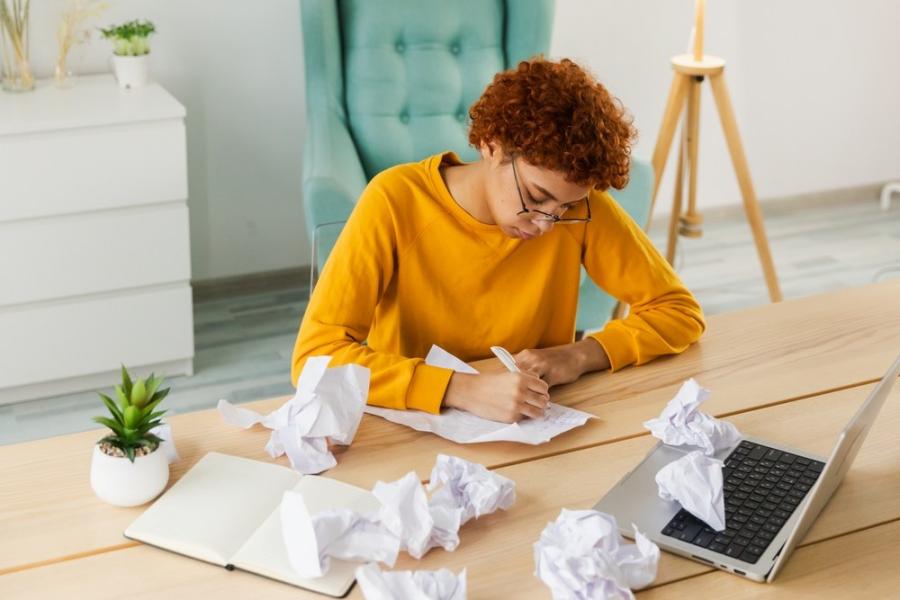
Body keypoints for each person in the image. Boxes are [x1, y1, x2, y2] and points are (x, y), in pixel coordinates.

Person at [292, 57, 705, 424]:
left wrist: (579, 355)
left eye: (564, 208)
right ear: (492, 146)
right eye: (537, 197)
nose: (547, 224)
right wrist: (459, 388)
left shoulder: (577, 207)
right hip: (413, 425)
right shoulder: (396, 200)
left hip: (535, 423)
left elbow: (678, 311)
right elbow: (315, 358)